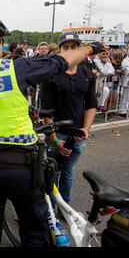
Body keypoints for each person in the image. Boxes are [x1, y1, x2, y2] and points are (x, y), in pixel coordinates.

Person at [0, 15, 102, 247]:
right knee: (34, 231)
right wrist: (88, 47)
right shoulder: (13, 68)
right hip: (22, 168)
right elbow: (60, 62)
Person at [40, 32, 98, 210]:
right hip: (57, 134)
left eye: (74, 47)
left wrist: (86, 129)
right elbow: (46, 110)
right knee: (53, 172)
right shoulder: (51, 75)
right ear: (59, 50)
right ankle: (50, 211)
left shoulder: (87, 74)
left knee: (68, 171)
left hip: (78, 134)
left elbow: (91, 105)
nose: (71, 50)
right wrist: (55, 140)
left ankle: (65, 208)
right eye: (66, 47)